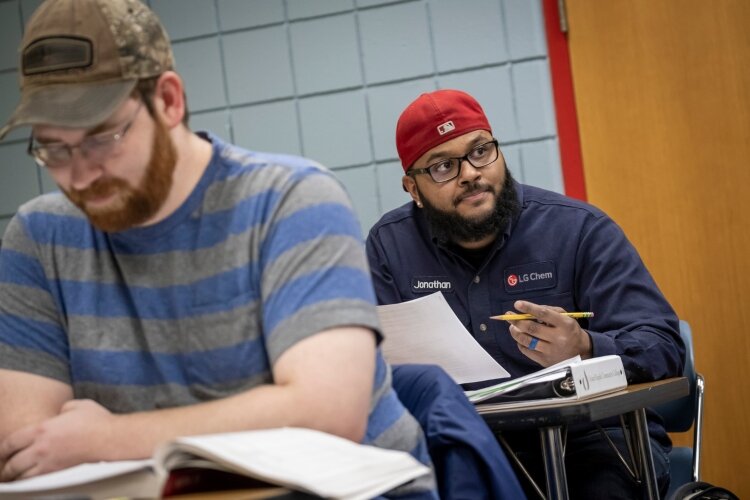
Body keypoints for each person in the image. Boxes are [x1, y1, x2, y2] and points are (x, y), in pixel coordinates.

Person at [0, 0, 438, 497]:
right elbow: (26, 447)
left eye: (102, 137)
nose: (78, 175)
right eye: (53, 149)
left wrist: (104, 437)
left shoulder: (291, 200)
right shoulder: (38, 238)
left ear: (168, 101)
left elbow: (325, 412)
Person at [366, 89, 685, 499]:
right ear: (413, 188)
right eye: (443, 166)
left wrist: (586, 348)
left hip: (593, 441)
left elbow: (663, 344)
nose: (469, 173)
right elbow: (375, 366)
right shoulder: (389, 249)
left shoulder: (580, 230)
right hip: (466, 444)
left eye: (480, 151)